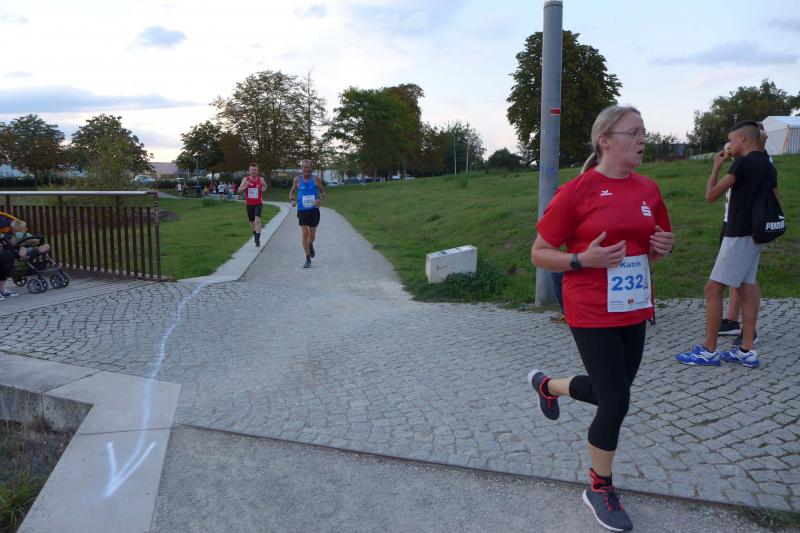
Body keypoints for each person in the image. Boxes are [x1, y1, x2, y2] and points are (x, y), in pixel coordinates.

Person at [529, 105, 674, 532]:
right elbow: (539, 253)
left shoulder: (649, 190)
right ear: (605, 140)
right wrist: (581, 259)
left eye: (644, 132)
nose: (642, 140)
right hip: (591, 308)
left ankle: (548, 385)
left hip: (633, 306)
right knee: (615, 402)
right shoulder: (578, 191)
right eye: (633, 132)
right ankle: (599, 486)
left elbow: (651, 248)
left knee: (613, 391)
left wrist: (661, 249)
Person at [675, 120, 776, 368]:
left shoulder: (742, 163)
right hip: (756, 233)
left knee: (712, 289)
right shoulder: (766, 163)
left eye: (731, 139)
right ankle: (747, 349)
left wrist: (716, 167)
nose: (729, 144)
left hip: (738, 233)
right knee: (746, 287)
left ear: (742, 138)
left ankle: (709, 350)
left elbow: (710, 195)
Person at [289, 159, 325, 268]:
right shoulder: (297, 180)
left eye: (309, 167)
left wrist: (319, 198)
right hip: (302, 210)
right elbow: (292, 192)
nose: (307, 169)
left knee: (312, 235)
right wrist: (292, 200)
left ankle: (310, 244)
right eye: (305, 167)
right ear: (302, 168)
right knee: (305, 233)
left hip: (314, 210)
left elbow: (323, 192)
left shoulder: (316, 179)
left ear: (311, 168)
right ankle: (307, 258)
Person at [237, 162, 268, 247]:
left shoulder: (261, 179)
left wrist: (263, 189)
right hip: (249, 204)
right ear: (249, 171)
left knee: (257, 220)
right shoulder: (245, 179)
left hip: (258, 203)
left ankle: (257, 239)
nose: (253, 171)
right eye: (252, 170)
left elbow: (265, 186)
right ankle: (255, 234)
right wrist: (245, 186)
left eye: (255, 170)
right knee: (252, 221)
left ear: (257, 171)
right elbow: (239, 191)